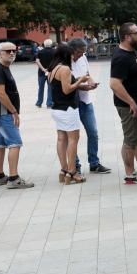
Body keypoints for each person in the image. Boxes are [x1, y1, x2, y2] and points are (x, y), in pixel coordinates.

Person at [109, 23, 137, 184]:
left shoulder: (132, 51)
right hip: (129, 105)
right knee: (130, 139)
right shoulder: (120, 57)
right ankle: (130, 173)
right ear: (127, 37)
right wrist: (131, 102)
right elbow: (114, 84)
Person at [0, 42, 33, 189]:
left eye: (14, 50)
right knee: (15, 143)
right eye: (8, 51)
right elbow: (0, 93)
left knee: (1, 143)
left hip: (2, 112)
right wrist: (13, 111)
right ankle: (13, 178)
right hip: (4, 112)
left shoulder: (3, 68)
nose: (12, 53)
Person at [48, 44, 89, 184]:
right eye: (71, 54)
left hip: (57, 109)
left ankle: (63, 170)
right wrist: (81, 80)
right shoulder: (64, 69)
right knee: (73, 139)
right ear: (66, 55)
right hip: (68, 109)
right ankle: (72, 171)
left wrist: (81, 85)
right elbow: (67, 90)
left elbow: (60, 88)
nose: (73, 57)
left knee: (61, 139)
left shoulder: (53, 69)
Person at [68, 38, 107, 174]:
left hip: (86, 101)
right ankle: (75, 165)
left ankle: (94, 163)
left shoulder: (83, 58)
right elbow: (68, 86)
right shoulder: (65, 62)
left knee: (93, 132)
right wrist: (85, 86)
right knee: (73, 137)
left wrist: (92, 82)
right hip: (72, 104)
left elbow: (87, 74)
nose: (81, 55)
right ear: (72, 49)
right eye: (79, 52)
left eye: (84, 52)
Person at [35, 39, 56, 108]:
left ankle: (39, 103)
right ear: (51, 44)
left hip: (41, 73)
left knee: (40, 88)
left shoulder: (40, 52)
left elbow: (37, 61)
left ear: (44, 44)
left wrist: (43, 69)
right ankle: (49, 103)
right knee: (50, 88)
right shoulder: (55, 52)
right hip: (51, 72)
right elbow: (57, 61)